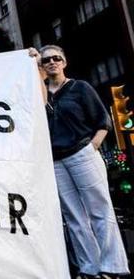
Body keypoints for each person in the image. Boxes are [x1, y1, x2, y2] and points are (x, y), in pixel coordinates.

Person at [41, 45, 129, 279]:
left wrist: (92, 147)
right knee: (74, 217)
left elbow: (103, 121)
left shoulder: (79, 88)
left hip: (82, 153)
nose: (52, 62)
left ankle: (113, 266)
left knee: (99, 210)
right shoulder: (40, 94)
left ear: (64, 62)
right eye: (46, 59)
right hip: (57, 160)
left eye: (56, 58)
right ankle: (89, 268)